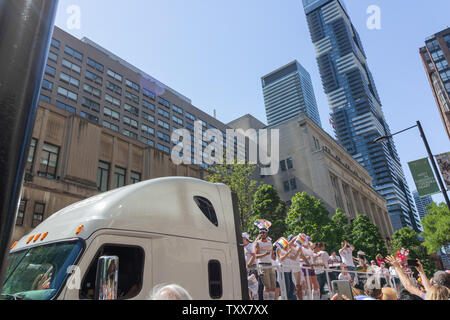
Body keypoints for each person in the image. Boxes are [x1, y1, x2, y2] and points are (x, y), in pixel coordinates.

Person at [254, 227, 276, 300]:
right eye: (260, 232)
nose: (262, 234)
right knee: (267, 286)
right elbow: (256, 255)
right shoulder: (258, 243)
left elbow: (272, 255)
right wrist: (265, 254)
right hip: (262, 265)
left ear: (266, 233)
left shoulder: (270, 242)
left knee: (273, 286)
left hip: (270, 264)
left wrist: (274, 257)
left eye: (263, 232)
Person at [242, 232, 258, 299]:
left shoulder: (251, 245)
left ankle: (254, 297)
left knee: (253, 284)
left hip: (252, 267)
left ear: (246, 239)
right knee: (248, 285)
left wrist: (248, 265)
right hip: (246, 268)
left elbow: (253, 256)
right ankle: (250, 298)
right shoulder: (242, 247)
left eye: (242, 238)